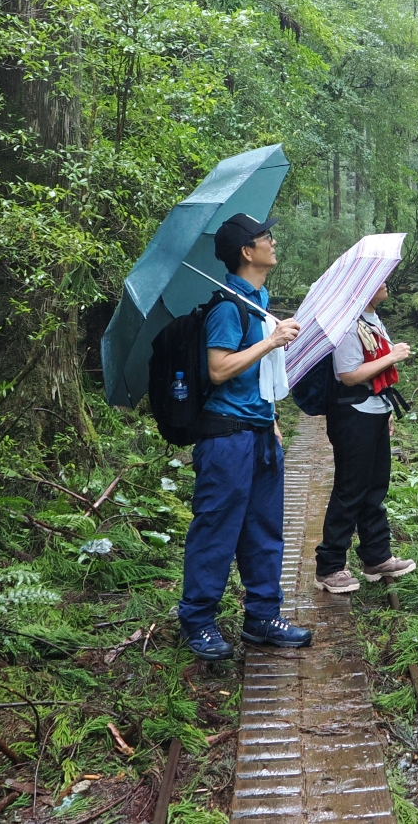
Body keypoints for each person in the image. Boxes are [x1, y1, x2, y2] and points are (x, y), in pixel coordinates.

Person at [177, 212, 314, 659]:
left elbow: (258, 375)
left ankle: (262, 616)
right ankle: (197, 620)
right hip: (226, 439)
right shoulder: (226, 308)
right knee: (216, 530)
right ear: (246, 252)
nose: (272, 242)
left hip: (258, 434)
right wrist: (270, 342)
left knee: (264, 529)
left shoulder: (258, 300)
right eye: (265, 237)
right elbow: (219, 370)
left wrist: (271, 420)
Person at [313, 283, 418, 594]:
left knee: (375, 485)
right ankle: (329, 566)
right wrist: (393, 355)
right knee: (350, 489)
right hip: (351, 414)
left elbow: (374, 376)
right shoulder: (348, 324)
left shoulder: (373, 318)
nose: (386, 282)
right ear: (362, 288)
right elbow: (349, 374)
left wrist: (386, 410)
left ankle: (376, 556)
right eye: (379, 279)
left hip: (374, 409)